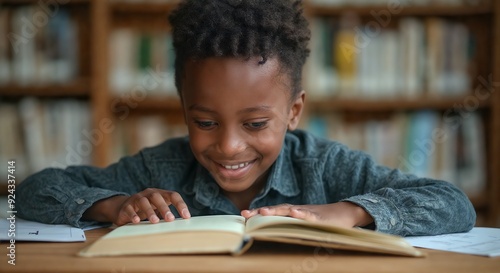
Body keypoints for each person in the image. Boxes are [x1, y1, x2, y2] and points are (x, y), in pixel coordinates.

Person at [17, 0, 475, 237]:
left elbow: (453, 204)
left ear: (294, 111)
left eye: (255, 124)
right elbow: (35, 190)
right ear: (183, 110)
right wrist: (115, 206)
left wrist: (350, 212)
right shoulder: (158, 171)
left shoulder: (325, 167)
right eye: (205, 122)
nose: (229, 147)